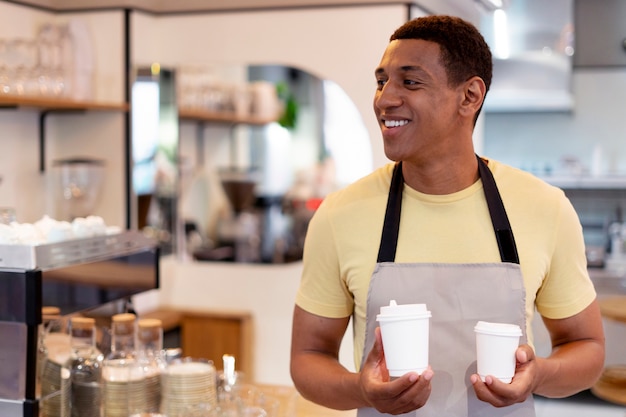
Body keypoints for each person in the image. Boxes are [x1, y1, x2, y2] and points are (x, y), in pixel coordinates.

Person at [289, 14, 605, 417]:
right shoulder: (340, 215)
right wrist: (363, 390)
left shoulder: (545, 208)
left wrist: (538, 374)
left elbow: (588, 350)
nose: (385, 98)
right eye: (382, 80)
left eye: (410, 81)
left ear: (469, 97)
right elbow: (307, 358)